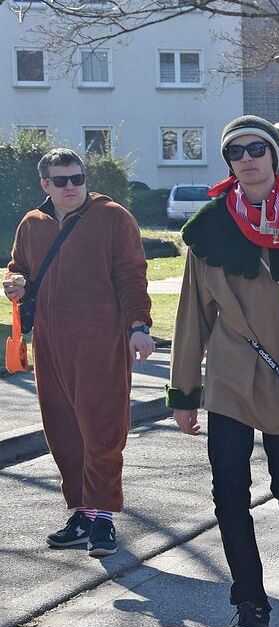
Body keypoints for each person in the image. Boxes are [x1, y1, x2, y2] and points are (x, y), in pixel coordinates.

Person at [166, 116, 279, 627]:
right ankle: (251, 614)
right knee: (229, 497)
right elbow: (192, 315)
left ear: (274, 155)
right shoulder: (210, 227)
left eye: (257, 148)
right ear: (228, 164)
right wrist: (184, 394)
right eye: (235, 152)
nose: (247, 158)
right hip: (232, 378)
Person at [4, 148, 153, 558]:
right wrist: (15, 282)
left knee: (102, 429)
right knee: (64, 431)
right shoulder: (32, 224)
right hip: (51, 344)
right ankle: (83, 513)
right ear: (45, 185)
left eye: (78, 178)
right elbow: (19, 268)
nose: (72, 187)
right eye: (62, 180)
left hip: (101, 342)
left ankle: (104, 518)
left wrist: (139, 327)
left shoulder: (113, 218)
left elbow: (131, 275)